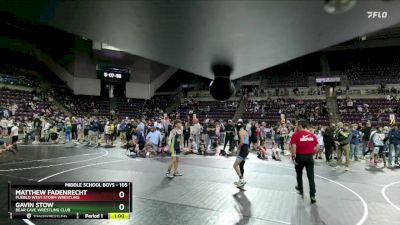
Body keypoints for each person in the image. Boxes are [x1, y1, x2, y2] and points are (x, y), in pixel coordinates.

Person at [290, 120, 318, 204]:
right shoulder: (312, 135)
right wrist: (313, 154)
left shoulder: (295, 135)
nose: (296, 127)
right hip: (309, 157)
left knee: (299, 174)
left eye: (297, 125)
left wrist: (293, 156)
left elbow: (294, 146)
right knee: (311, 177)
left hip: (300, 157)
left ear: (300, 126)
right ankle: (312, 196)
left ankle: (300, 189)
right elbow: (317, 146)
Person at [233, 122, 249, 188]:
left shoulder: (240, 132)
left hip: (243, 150)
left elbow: (242, 142)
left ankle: (241, 180)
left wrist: (238, 148)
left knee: (235, 166)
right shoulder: (245, 131)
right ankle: (241, 180)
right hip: (246, 149)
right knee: (241, 165)